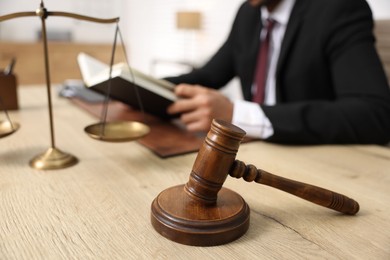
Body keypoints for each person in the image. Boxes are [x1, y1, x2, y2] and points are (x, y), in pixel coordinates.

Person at [165, 0, 390, 145]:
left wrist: (239, 114)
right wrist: (137, 87)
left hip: (312, 158)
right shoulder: (248, 14)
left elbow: (375, 115)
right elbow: (207, 76)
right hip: (252, 151)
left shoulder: (338, 8)